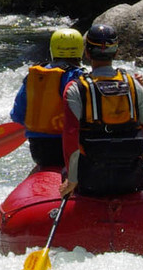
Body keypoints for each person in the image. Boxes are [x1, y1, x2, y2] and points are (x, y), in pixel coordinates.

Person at [60, 23, 143, 198]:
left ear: (86, 53)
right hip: (130, 179)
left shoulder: (74, 89)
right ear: (116, 53)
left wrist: (72, 179)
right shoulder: (134, 85)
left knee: (64, 171)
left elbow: (71, 137)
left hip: (91, 180)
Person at [10, 28, 86, 172]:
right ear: (80, 50)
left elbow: (17, 116)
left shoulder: (35, 75)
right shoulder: (79, 77)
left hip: (38, 151)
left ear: (53, 49)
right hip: (68, 150)